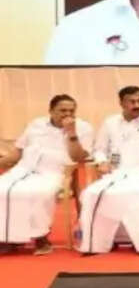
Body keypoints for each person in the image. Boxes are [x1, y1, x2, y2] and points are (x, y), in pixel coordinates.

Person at [78, 86, 139, 254]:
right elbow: (99, 149)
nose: (137, 105)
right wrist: (102, 161)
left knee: (138, 193)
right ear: (121, 103)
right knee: (91, 194)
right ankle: (96, 243)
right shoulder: (110, 122)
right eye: (132, 102)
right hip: (114, 174)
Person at [0, 95, 93, 255]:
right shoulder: (36, 124)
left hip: (53, 172)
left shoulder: (84, 128)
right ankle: (7, 238)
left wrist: (71, 133)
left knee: (38, 193)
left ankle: (41, 237)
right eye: (62, 110)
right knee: (2, 190)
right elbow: (18, 151)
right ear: (51, 111)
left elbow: (79, 157)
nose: (67, 114)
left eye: (71, 111)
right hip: (23, 169)